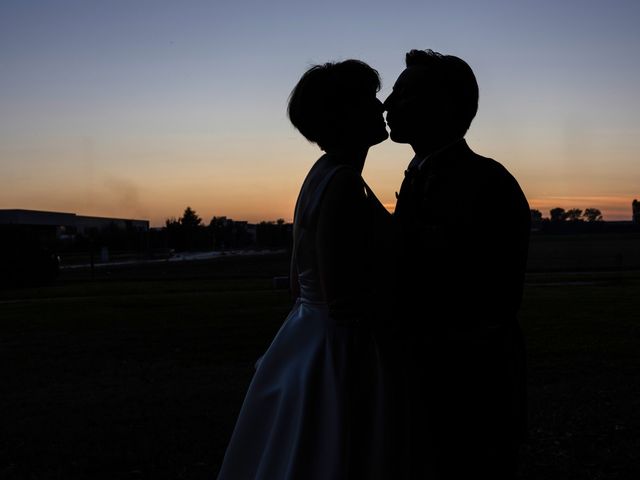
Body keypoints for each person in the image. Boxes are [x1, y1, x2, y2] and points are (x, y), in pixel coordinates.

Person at [217, 59, 392, 480]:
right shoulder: (345, 183)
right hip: (340, 347)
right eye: (369, 99)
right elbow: (344, 299)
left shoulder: (320, 175)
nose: (382, 106)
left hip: (305, 337)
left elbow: (299, 281)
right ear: (344, 115)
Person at [384, 49, 531, 479]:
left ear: (444, 106)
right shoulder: (421, 174)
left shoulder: (485, 183)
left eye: (403, 94)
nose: (388, 105)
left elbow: (486, 300)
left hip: (470, 396)